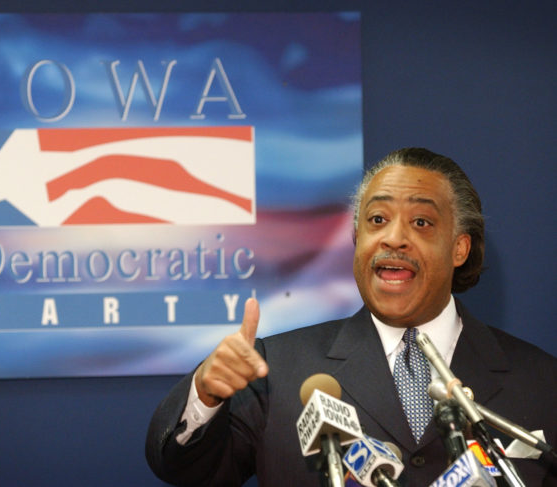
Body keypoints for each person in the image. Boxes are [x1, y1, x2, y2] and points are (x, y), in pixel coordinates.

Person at [145, 147, 557, 486]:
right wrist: (205, 394)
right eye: (377, 220)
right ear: (358, 239)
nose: (394, 237)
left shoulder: (541, 379)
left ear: (459, 248)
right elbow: (187, 471)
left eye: (421, 222)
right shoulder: (277, 370)